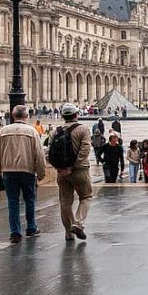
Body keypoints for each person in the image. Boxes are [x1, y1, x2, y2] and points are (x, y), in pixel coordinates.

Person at [0, 105, 46, 244]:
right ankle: (31, 227)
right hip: (27, 171)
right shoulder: (32, 131)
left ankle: (15, 232)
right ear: (26, 116)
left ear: (12, 115)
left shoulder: (3, 131)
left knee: (12, 202)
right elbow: (39, 154)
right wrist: (41, 173)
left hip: (8, 172)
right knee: (29, 200)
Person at [56, 103, 93, 241]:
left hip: (62, 173)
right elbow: (85, 149)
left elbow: (51, 153)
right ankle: (78, 223)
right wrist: (74, 166)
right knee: (86, 196)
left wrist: (60, 169)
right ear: (77, 114)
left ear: (63, 116)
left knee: (65, 202)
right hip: (79, 170)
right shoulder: (82, 129)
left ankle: (68, 233)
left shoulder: (57, 131)